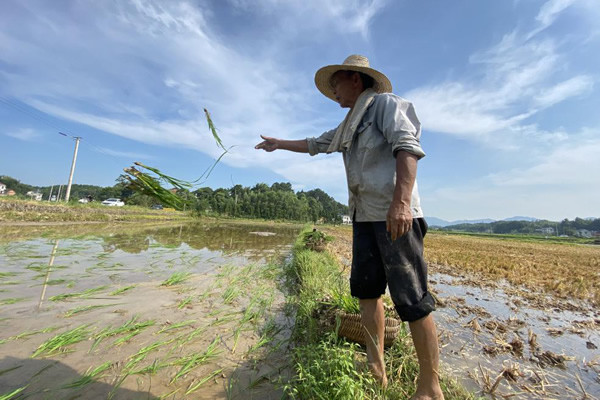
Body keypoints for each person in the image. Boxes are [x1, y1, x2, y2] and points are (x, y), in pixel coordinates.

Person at [255, 54, 443, 399]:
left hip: (395, 215)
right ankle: (376, 367)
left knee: (413, 300)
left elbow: (408, 149)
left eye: (336, 83)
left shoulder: (386, 105)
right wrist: (279, 143)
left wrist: (401, 203)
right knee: (367, 293)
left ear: (355, 80)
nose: (333, 91)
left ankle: (430, 386)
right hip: (364, 216)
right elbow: (315, 144)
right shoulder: (349, 123)